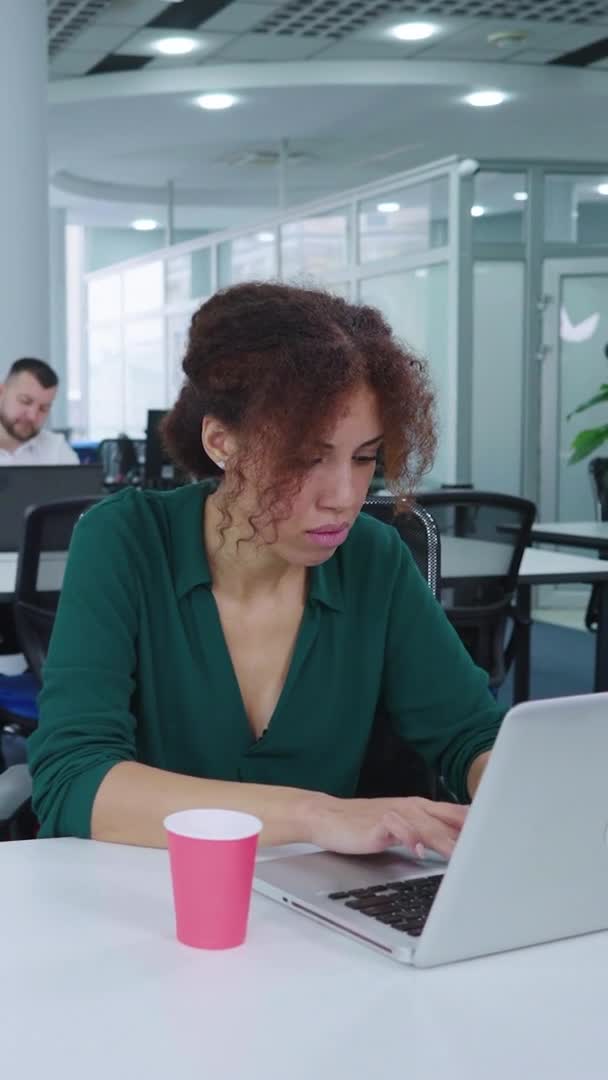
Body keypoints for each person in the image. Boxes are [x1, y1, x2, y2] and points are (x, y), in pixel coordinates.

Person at [28, 283, 504, 856]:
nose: (345, 497)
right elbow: (74, 781)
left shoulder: (373, 558)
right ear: (221, 441)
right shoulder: (125, 539)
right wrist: (316, 815)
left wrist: (515, 782)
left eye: (364, 458)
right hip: (146, 902)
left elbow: (471, 735)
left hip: (321, 911)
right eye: (306, 458)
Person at [0, 358, 78, 465]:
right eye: (25, 401)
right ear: (1, 393)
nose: (32, 416)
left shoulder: (56, 449)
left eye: (43, 408)